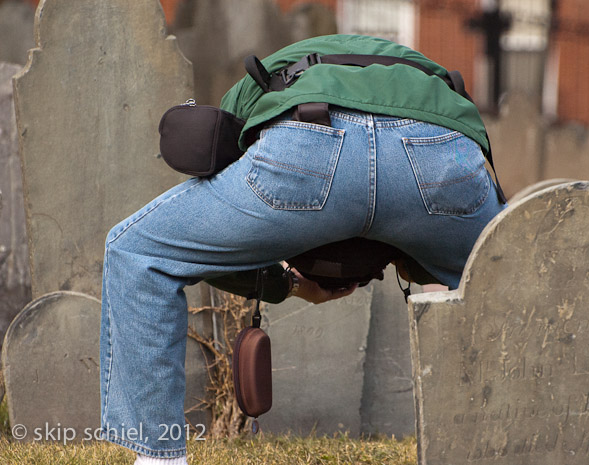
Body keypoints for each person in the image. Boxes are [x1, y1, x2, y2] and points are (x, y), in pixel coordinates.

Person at [99, 34, 507, 464]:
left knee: (139, 251)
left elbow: (217, 202)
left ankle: (160, 459)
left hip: (310, 143)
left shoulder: (268, 75)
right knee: (522, 275)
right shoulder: (433, 77)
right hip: (441, 152)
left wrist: (286, 285)